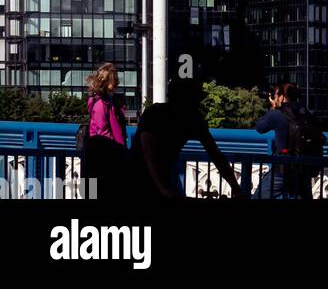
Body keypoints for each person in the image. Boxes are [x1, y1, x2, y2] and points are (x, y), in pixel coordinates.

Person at [127, 77, 244, 200]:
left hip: (152, 175)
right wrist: (163, 188)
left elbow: (215, 155)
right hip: (137, 176)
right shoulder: (160, 114)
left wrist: (235, 188)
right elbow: (149, 151)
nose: (198, 104)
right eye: (196, 100)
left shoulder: (161, 113)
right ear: (186, 100)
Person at [254, 83, 323, 200]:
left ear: (282, 97)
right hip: (303, 169)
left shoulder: (277, 114)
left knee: (258, 196)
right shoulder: (306, 113)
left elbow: (259, 127)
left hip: (282, 170)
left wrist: (273, 108)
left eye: (276, 95)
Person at [80, 62, 128, 199]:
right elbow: (103, 133)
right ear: (107, 82)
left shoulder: (106, 102)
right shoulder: (102, 104)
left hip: (105, 157)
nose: (117, 82)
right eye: (114, 79)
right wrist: (118, 152)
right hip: (106, 160)